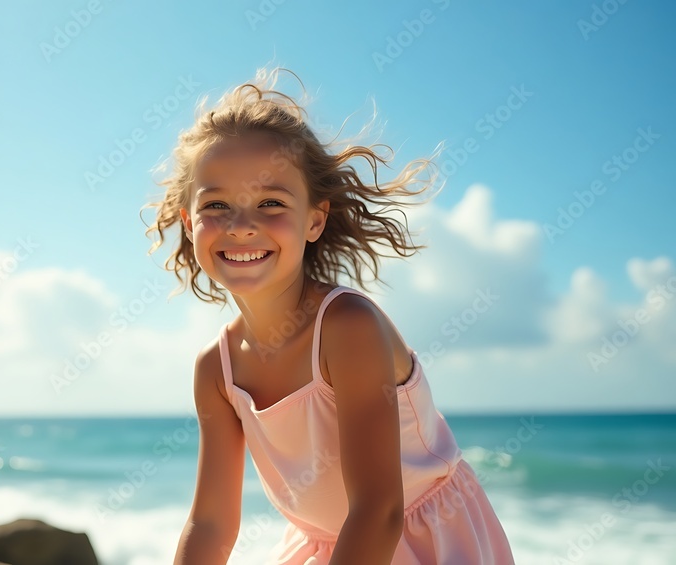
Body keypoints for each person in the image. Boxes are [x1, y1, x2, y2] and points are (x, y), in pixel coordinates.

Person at [144, 68, 515, 564]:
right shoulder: (216, 370)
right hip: (328, 548)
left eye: (270, 202)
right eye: (217, 205)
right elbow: (211, 525)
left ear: (314, 219)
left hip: (425, 541)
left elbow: (378, 510)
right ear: (190, 224)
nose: (241, 225)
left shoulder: (347, 327)